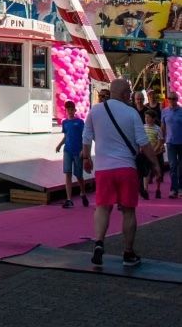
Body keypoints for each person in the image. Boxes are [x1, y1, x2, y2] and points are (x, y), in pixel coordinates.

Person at [82, 76, 160, 267]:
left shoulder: (95, 111)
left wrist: (86, 158)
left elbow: (86, 136)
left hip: (103, 169)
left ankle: (99, 243)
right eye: (129, 93)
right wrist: (156, 164)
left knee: (102, 207)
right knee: (128, 211)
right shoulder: (131, 113)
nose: (131, 96)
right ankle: (128, 253)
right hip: (126, 168)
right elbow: (143, 143)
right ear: (125, 94)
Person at [56, 100, 88, 207]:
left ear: (74, 110)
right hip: (67, 150)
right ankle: (69, 199)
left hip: (77, 151)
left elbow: (84, 136)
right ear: (65, 111)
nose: (69, 111)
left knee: (79, 175)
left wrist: (83, 149)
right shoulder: (65, 123)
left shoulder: (79, 122)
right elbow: (66, 136)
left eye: (71, 109)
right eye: (67, 109)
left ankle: (83, 192)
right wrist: (60, 145)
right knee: (67, 173)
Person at [160, 91, 182, 199]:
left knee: (181, 167)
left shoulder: (181, 111)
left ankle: (181, 188)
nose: (171, 100)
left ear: (177, 100)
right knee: (173, 166)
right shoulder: (164, 111)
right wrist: (161, 141)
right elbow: (163, 127)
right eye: (170, 98)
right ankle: (173, 189)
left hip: (181, 142)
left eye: (174, 99)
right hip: (170, 142)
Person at [143, 111, 164, 200]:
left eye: (148, 117)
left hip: (156, 154)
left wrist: (154, 150)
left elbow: (160, 141)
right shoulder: (143, 127)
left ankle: (158, 189)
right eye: (145, 117)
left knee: (157, 173)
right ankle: (145, 190)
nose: (146, 119)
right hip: (146, 153)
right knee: (146, 172)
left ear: (153, 119)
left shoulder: (157, 129)